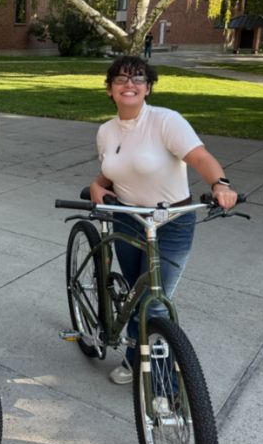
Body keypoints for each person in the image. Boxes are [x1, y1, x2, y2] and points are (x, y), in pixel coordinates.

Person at [89, 55, 237, 385]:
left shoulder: (166, 121)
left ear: (148, 88)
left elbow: (199, 157)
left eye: (138, 78)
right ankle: (131, 358)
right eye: (121, 79)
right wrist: (97, 186)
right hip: (128, 218)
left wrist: (220, 184)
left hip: (170, 221)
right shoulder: (106, 131)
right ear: (110, 90)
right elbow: (112, 171)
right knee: (132, 295)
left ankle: (163, 390)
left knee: (153, 303)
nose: (130, 84)